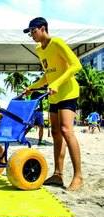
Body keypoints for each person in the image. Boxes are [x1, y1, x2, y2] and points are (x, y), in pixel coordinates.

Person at [23, 17, 83, 191]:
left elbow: (75, 65)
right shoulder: (39, 50)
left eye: (33, 31)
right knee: (56, 133)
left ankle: (78, 176)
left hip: (68, 92)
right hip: (53, 96)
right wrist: (32, 87)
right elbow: (47, 75)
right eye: (30, 33)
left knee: (66, 130)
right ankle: (58, 174)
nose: (32, 35)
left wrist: (57, 83)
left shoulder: (57, 43)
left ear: (43, 28)